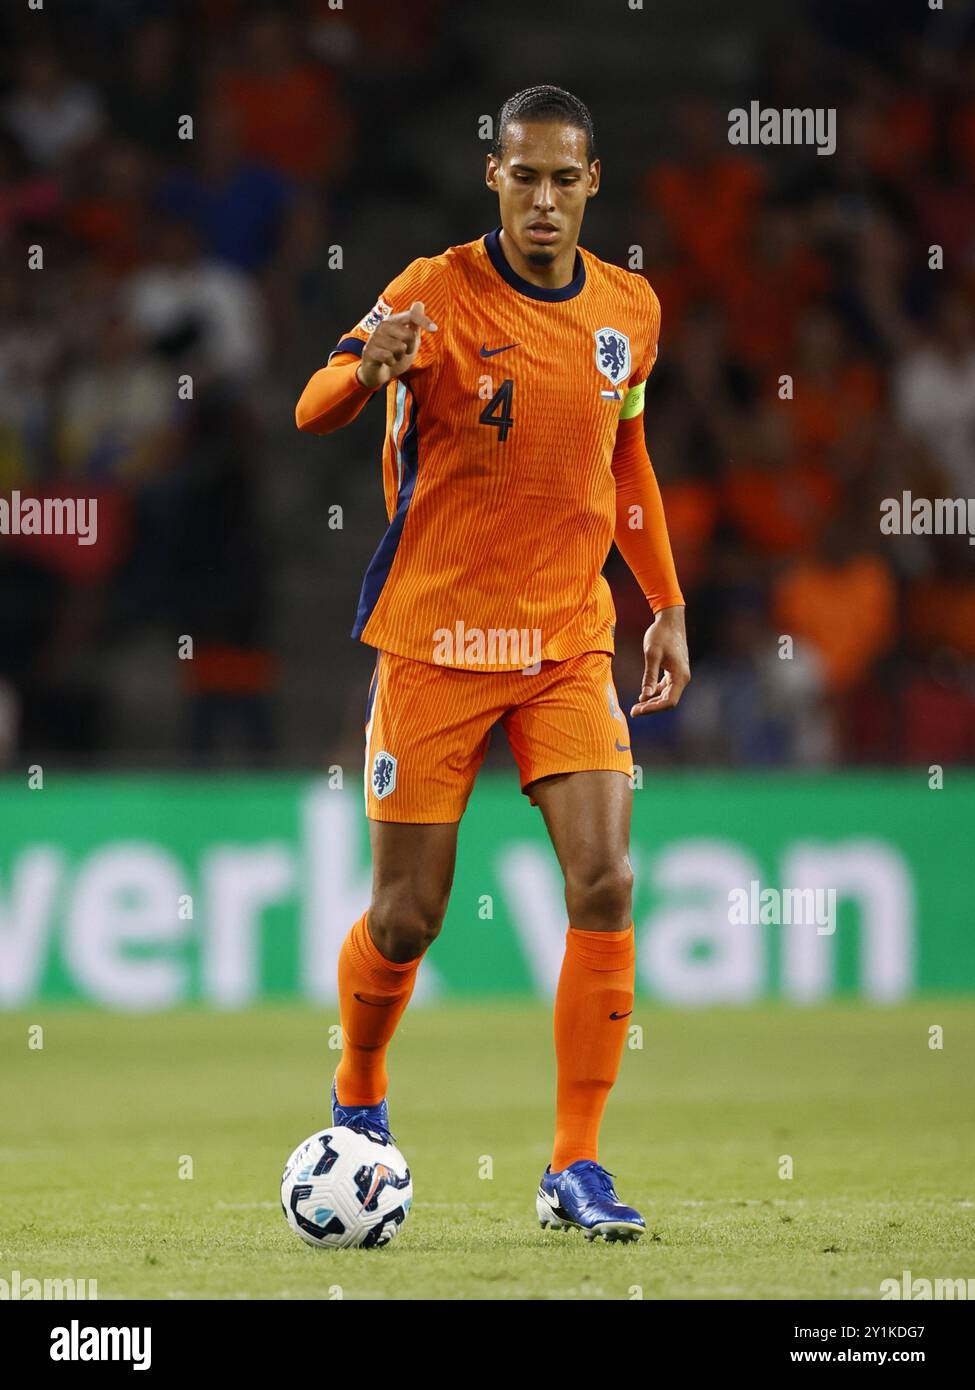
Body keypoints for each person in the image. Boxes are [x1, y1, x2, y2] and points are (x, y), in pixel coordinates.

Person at [295, 85, 690, 1241]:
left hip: (570, 637)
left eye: (567, 180)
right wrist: (373, 365)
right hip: (434, 640)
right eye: (526, 177)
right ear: (495, 180)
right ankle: (359, 1098)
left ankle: (575, 1164)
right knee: (409, 915)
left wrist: (662, 601)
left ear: (593, 185)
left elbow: (630, 466)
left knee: (606, 878)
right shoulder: (431, 290)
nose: (547, 200)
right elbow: (312, 405)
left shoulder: (633, 310)